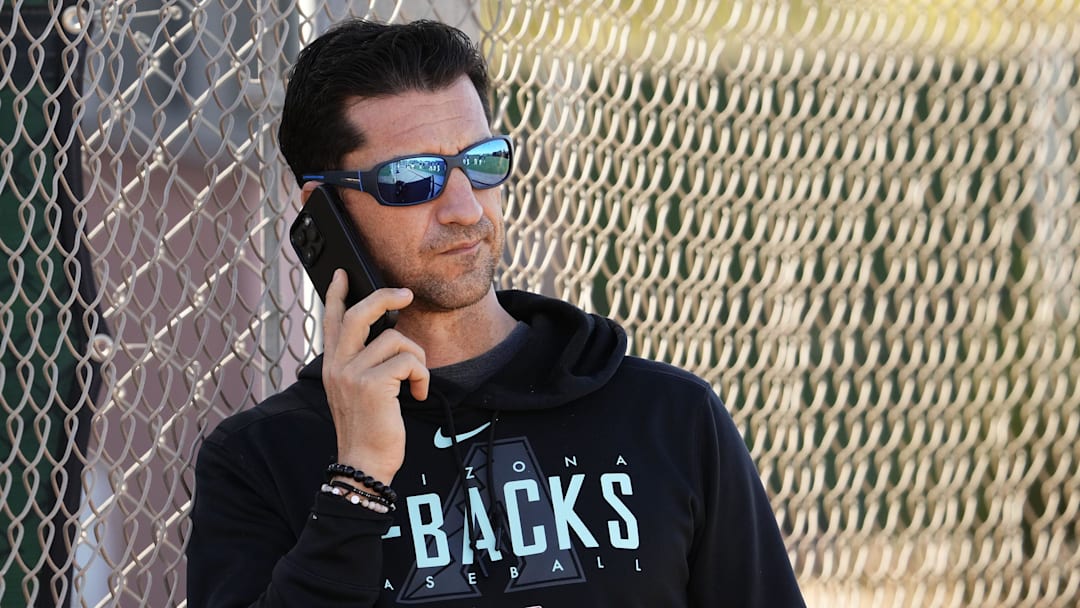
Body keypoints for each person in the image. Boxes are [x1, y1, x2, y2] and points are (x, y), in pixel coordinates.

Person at [186, 18, 804, 607]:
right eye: (411, 178)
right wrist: (357, 481)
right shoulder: (260, 460)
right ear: (323, 212)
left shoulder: (669, 418)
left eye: (480, 163)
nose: (465, 208)